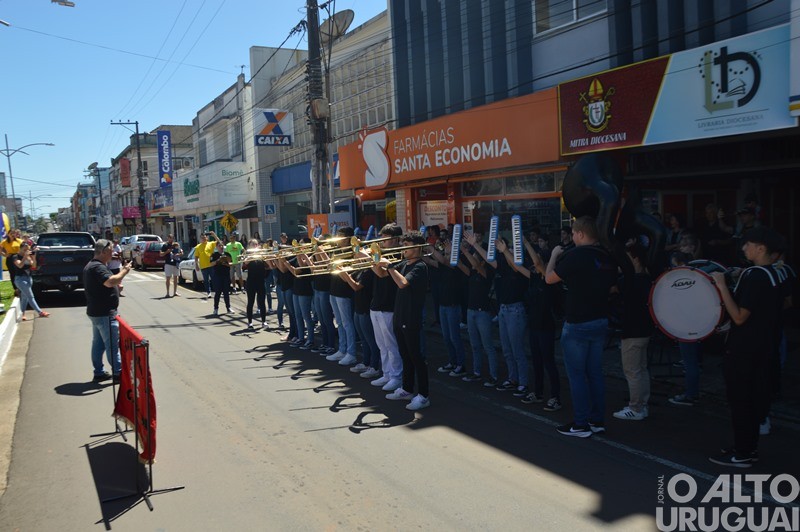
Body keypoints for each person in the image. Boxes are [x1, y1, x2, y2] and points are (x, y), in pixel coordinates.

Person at [708, 227, 782, 467]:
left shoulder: (755, 276)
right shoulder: (773, 273)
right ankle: (747, 447)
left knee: (741, 401)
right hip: (761, 346)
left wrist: (721, 285)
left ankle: (742, 453)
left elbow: (740, 317)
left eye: (747, 244)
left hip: (744, 350)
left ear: (761, 248)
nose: (743, 248)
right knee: (751, 399)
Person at [544, 216, 617, 437]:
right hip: (600, 320)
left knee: (577, 375)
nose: (572, 237)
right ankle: (596, 420)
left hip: (578, 322)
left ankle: (581, 423)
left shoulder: (576, 255)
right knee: (594, 373)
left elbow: (549, 279)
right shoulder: (606, 256)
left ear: (581, 234)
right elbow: (613, 287)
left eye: (574, 233)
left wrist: (554, 255)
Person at [506, 235, 562, 411]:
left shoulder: (549, 279)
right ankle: (538, 393)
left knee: (548, 362)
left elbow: (537, 262)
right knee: (537, 361)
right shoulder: (534, 277)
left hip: (546, 327)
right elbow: (517, 266)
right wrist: (505, 250)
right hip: (534, 326)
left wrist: (525, 242)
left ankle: (555, 397)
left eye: (537, 258)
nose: (533, 262)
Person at [472, 235, 530, 398]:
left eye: (510, 250)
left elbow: (516, 266)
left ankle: (523, 383)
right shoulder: (503, 265)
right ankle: (512, 379)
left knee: (517, 349)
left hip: (515, 310)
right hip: (503, 310)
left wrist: (506, 251)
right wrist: (475, 245)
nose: (507, 251)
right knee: (506, 349)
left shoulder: (520, 266)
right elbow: (488, 259)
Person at [381, 231, 430, 411]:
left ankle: (423, 396)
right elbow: (382, 274)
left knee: (416, 357)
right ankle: (407, 389)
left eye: (407, 245)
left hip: (411, 318)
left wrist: (389, 266)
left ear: (416, 247)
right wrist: (374, 260)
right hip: (399, 316)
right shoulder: (403, 263)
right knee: (405, 356)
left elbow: (402, 283)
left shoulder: (420, 267)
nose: (403, 248)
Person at [612, 244, 654, 421]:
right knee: (641, 369)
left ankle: (636, 407)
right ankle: (642, 405)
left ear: (635, 259)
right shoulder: (648, 278)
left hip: (632, 331)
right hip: (645, 330)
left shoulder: (631, 280)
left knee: (632, 370)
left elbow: (612, 289)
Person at [83, 239, 132, 383]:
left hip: (96, 311)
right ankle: (118, 373)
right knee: (112, 345)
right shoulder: (97, 267)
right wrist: (125, 271)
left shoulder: (92, 266)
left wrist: (116, 288)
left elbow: (105, 284)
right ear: (103, 251)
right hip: (104, 313)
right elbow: (111, 281)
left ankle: (99, 372)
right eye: (111, 251)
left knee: (98, 344)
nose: (113, 254)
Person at [460, 233, 499, 387]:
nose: (473, 257)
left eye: (476, 255)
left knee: (488, 346)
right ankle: (477, 373)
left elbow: (476, 265)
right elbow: (460, 265)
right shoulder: (472, 272)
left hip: (483, 312)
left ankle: (493, 376)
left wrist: (466, 250)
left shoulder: (486, 272)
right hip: (471, 311)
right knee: (475, 345)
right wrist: (456, 249)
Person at [369, 223, 404, 391]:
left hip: (389, 305)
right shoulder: (381, 254)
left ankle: (397, 376)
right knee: (381, 344)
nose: (382, 240)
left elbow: (381, 274)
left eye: (386, 237)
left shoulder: (398, 255)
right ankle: (387, 374)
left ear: (396, 239)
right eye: (382, 236)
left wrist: (370, 258)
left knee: (391, 344)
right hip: (376, 304)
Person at [428, 236, 467, 377]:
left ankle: (461, 364)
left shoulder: (455, 264)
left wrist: (430, 247)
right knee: (446, 337)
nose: (445, 251)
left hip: (452, 305)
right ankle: (452, 361)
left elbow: (444, 260)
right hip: (443, 305)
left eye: (448, 250)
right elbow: (429, 260)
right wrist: (419, 250)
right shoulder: (442, 265)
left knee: (454, 337)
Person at [339, 267, 382, 379]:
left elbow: (356, 287)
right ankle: (366, 363)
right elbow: (346, 280)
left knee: (370, 340)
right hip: (358, 308)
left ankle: (374, 367)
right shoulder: (360, 270)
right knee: (363, 339)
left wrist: (345, 274)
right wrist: (338, 270)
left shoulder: (370, 272)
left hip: (365, 309)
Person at [325, 228, 358, 364]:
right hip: (333, 290)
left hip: (344, 292)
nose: (337, 238)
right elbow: (329, 270)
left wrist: (338, 267)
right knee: (339, 322)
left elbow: (348, 276)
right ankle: (342, 349)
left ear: (348, 238)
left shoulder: (352, 252)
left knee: (347, 323)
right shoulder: (337, 251)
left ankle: (351, 352)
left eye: (340, 236)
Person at [10, 243, 49, 321]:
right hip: (20, 279)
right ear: (20, 248)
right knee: (30, 296)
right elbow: (20, 266)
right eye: (24, 249)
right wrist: (24, 256)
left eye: (27, 249)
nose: (26, 251)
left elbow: (34, 266)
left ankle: (22, 314)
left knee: (25, 297)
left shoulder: (28, 256)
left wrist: (33, 257)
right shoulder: (15, 257)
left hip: (28, 278)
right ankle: (40, 312)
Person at [242, 239, 267, 329]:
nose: (255, 246)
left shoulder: (261, 254)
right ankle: (250, 322)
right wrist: (252, 255)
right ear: (249, 246)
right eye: (253, 244)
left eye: (256, 244)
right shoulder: (247, 254)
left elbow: (268, 265)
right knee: (250, 302)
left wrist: (263, 256)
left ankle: (264, 321)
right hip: (251, 282)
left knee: (262, 302)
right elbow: (245, 264)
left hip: (261, 281)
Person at [194, 232, 219, 299]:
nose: (204, 239)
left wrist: (214, 235)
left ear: (207, 238)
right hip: (203, 266)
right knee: (206, 280)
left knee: (214, 279)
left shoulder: (210, 244)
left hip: (211, 265)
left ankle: (217, 291)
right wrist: (196, 264)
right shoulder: (198, 247)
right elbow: (196, 256)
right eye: (202, 238)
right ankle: (208, 292)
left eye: (204, 237)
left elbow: (219, 242)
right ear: (200, 239)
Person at [209, 249, 232, 316]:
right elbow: (211, 264)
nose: (221, 247)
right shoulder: (214, 254)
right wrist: (218, 260)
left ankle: (228, 308)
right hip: (217, 276)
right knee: (218, 292)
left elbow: (231, 263)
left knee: (226, 293)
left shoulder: (227, 254)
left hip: (226, 276)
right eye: (219, 246)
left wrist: (226, 263)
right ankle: (216, 308)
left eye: (222, 246)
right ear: (217, 247)